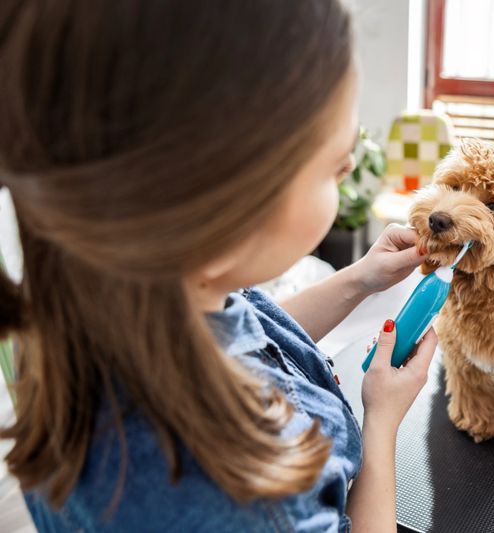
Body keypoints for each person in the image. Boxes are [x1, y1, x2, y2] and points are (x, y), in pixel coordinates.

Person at [0, 1, 437, 531]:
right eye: (333, 168)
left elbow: (248, 333)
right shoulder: (250, 498)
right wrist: (381, 427)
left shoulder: (103, 299)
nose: (350, 168)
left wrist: (358, 280)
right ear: (228, 212)